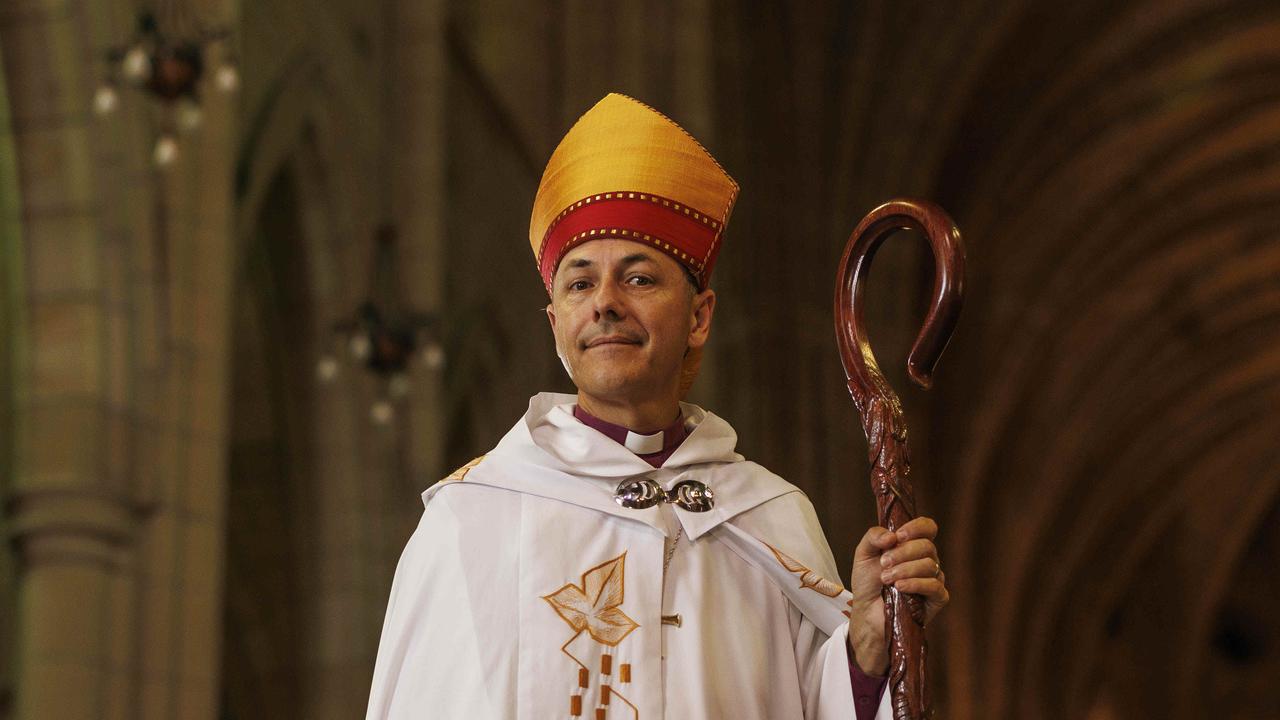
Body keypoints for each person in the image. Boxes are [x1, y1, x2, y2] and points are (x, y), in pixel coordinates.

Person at [366, 93, 949, 720]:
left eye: (639, 278)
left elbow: (822, 707)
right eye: (581, 283)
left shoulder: (768, 516)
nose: (606, 303)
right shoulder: (473, 517)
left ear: (700, 318)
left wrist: (867, 643)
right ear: (555, 322)